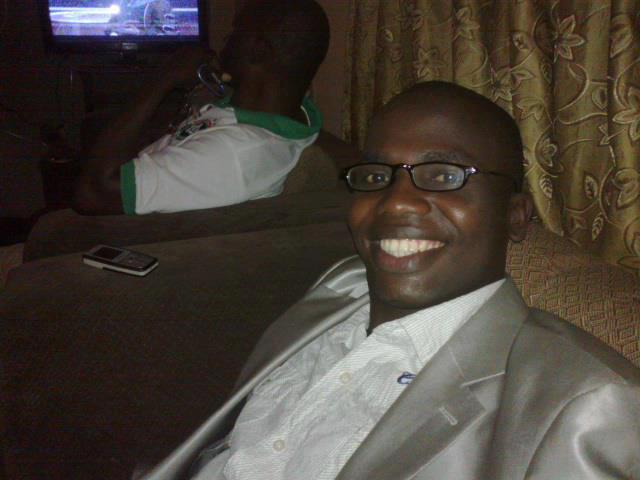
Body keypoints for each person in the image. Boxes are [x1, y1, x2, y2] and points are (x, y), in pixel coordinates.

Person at [140, 82, 640, 480]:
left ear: (515, 215)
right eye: (377, 176)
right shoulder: (341, 286)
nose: (395, 202)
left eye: (443, 175)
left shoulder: (586, 406)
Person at [73, 0, 330, 215]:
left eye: (235, 33)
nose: (225, 40)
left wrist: (163, 78)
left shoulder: (234, 154)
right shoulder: (284, 111)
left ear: (258, 51)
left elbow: (92, 193)